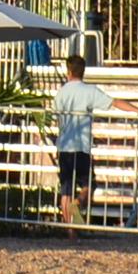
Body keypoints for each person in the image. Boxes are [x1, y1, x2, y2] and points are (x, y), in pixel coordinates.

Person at [49, 52, 111, 226]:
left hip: (64, 146)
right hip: (82, 146)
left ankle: (70, 232)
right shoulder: (89, 91)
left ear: (68, 72)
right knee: (88, 185)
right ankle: (78, 203)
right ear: (83, 72)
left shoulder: (61, 93)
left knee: (65, 191)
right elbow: (113, 102)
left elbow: (55, 117)